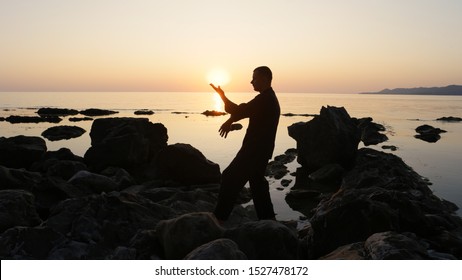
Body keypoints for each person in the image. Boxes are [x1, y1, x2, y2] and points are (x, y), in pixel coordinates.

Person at [210, 66, 280, 221]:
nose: (251, 81)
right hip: (261, 150)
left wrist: (222, 96)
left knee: (229, 177)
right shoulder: (268, 98)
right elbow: (245, 112)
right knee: (257, 184)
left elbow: (240, 110)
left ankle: (219, 219)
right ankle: (268, 221)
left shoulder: (265, 99)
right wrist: (230, 120)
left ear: (264, 78)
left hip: (254, 151)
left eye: (254, 78)